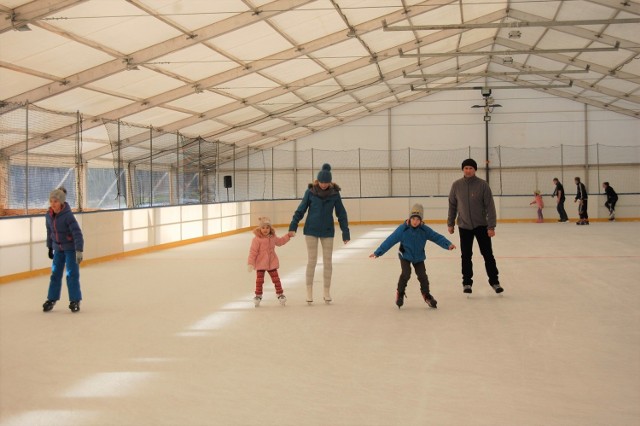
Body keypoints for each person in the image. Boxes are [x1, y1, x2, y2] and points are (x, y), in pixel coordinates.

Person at [370, 204, 455, 309]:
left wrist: (448, 244)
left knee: (423, 276)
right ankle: (400, 293)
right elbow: (390, 240)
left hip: (418, 257)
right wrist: (378, 252)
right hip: (405, 255)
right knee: (406, 273)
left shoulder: (424, 230)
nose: (415, 221)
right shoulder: (403, 229)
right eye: (413, 218)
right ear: (409, 218)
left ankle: (426, 295)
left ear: (421, 220)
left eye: (417, 219)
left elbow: (437, 237)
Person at [288, 163, 350, 304]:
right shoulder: (310, 192)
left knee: (328, 262)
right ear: (318, 181)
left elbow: (341, 213)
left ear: (330, 182)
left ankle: (326, 291)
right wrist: (293, 226)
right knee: (312, 261)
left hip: (327, 231)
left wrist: (345, 232)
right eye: (321, 182)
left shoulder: (335, 194)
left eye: (326, 182)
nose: (323, 185)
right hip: (311, 230)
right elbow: (301, 210)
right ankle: (309, 292)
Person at [447, 159, 503, 294]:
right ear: (463, 169)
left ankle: (494, 281)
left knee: (488, 254)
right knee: (466, 255)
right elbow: (452, 205)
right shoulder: (456, 185)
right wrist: (450, 223)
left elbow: (490, 207)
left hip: (481, 226)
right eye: (466, 168)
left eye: (471, 168)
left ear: (475, 170)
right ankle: (467, 283)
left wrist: (491, 226)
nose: (468, 170)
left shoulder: (482, 185)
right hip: (464, 226)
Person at [43, 187, 84, 313]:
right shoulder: (49, 215)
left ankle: (75, 300)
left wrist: (79, 250)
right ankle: (52, 298)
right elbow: (49, 231)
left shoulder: (68, 216)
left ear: (61, 202)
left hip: (70, 249)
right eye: (51, 201)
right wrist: (50, 247)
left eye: (55, 201)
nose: (53, 204)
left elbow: (77, 233)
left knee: (72, 274)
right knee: (55, 274)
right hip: (58, 249)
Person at [247, 216, 291, 307]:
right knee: (259, 281)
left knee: (276, 279)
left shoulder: (273, 237)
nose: (265, 230)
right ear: (260, 228)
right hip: (260, 263)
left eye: (267, 227)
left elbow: (280, 242)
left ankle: (280, 294)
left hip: (272, 262)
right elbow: (253, 252)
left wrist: (288, 236)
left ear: (270, 228)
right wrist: (250, 263)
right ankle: (258, 295)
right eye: (263, 228)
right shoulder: (256, 239)